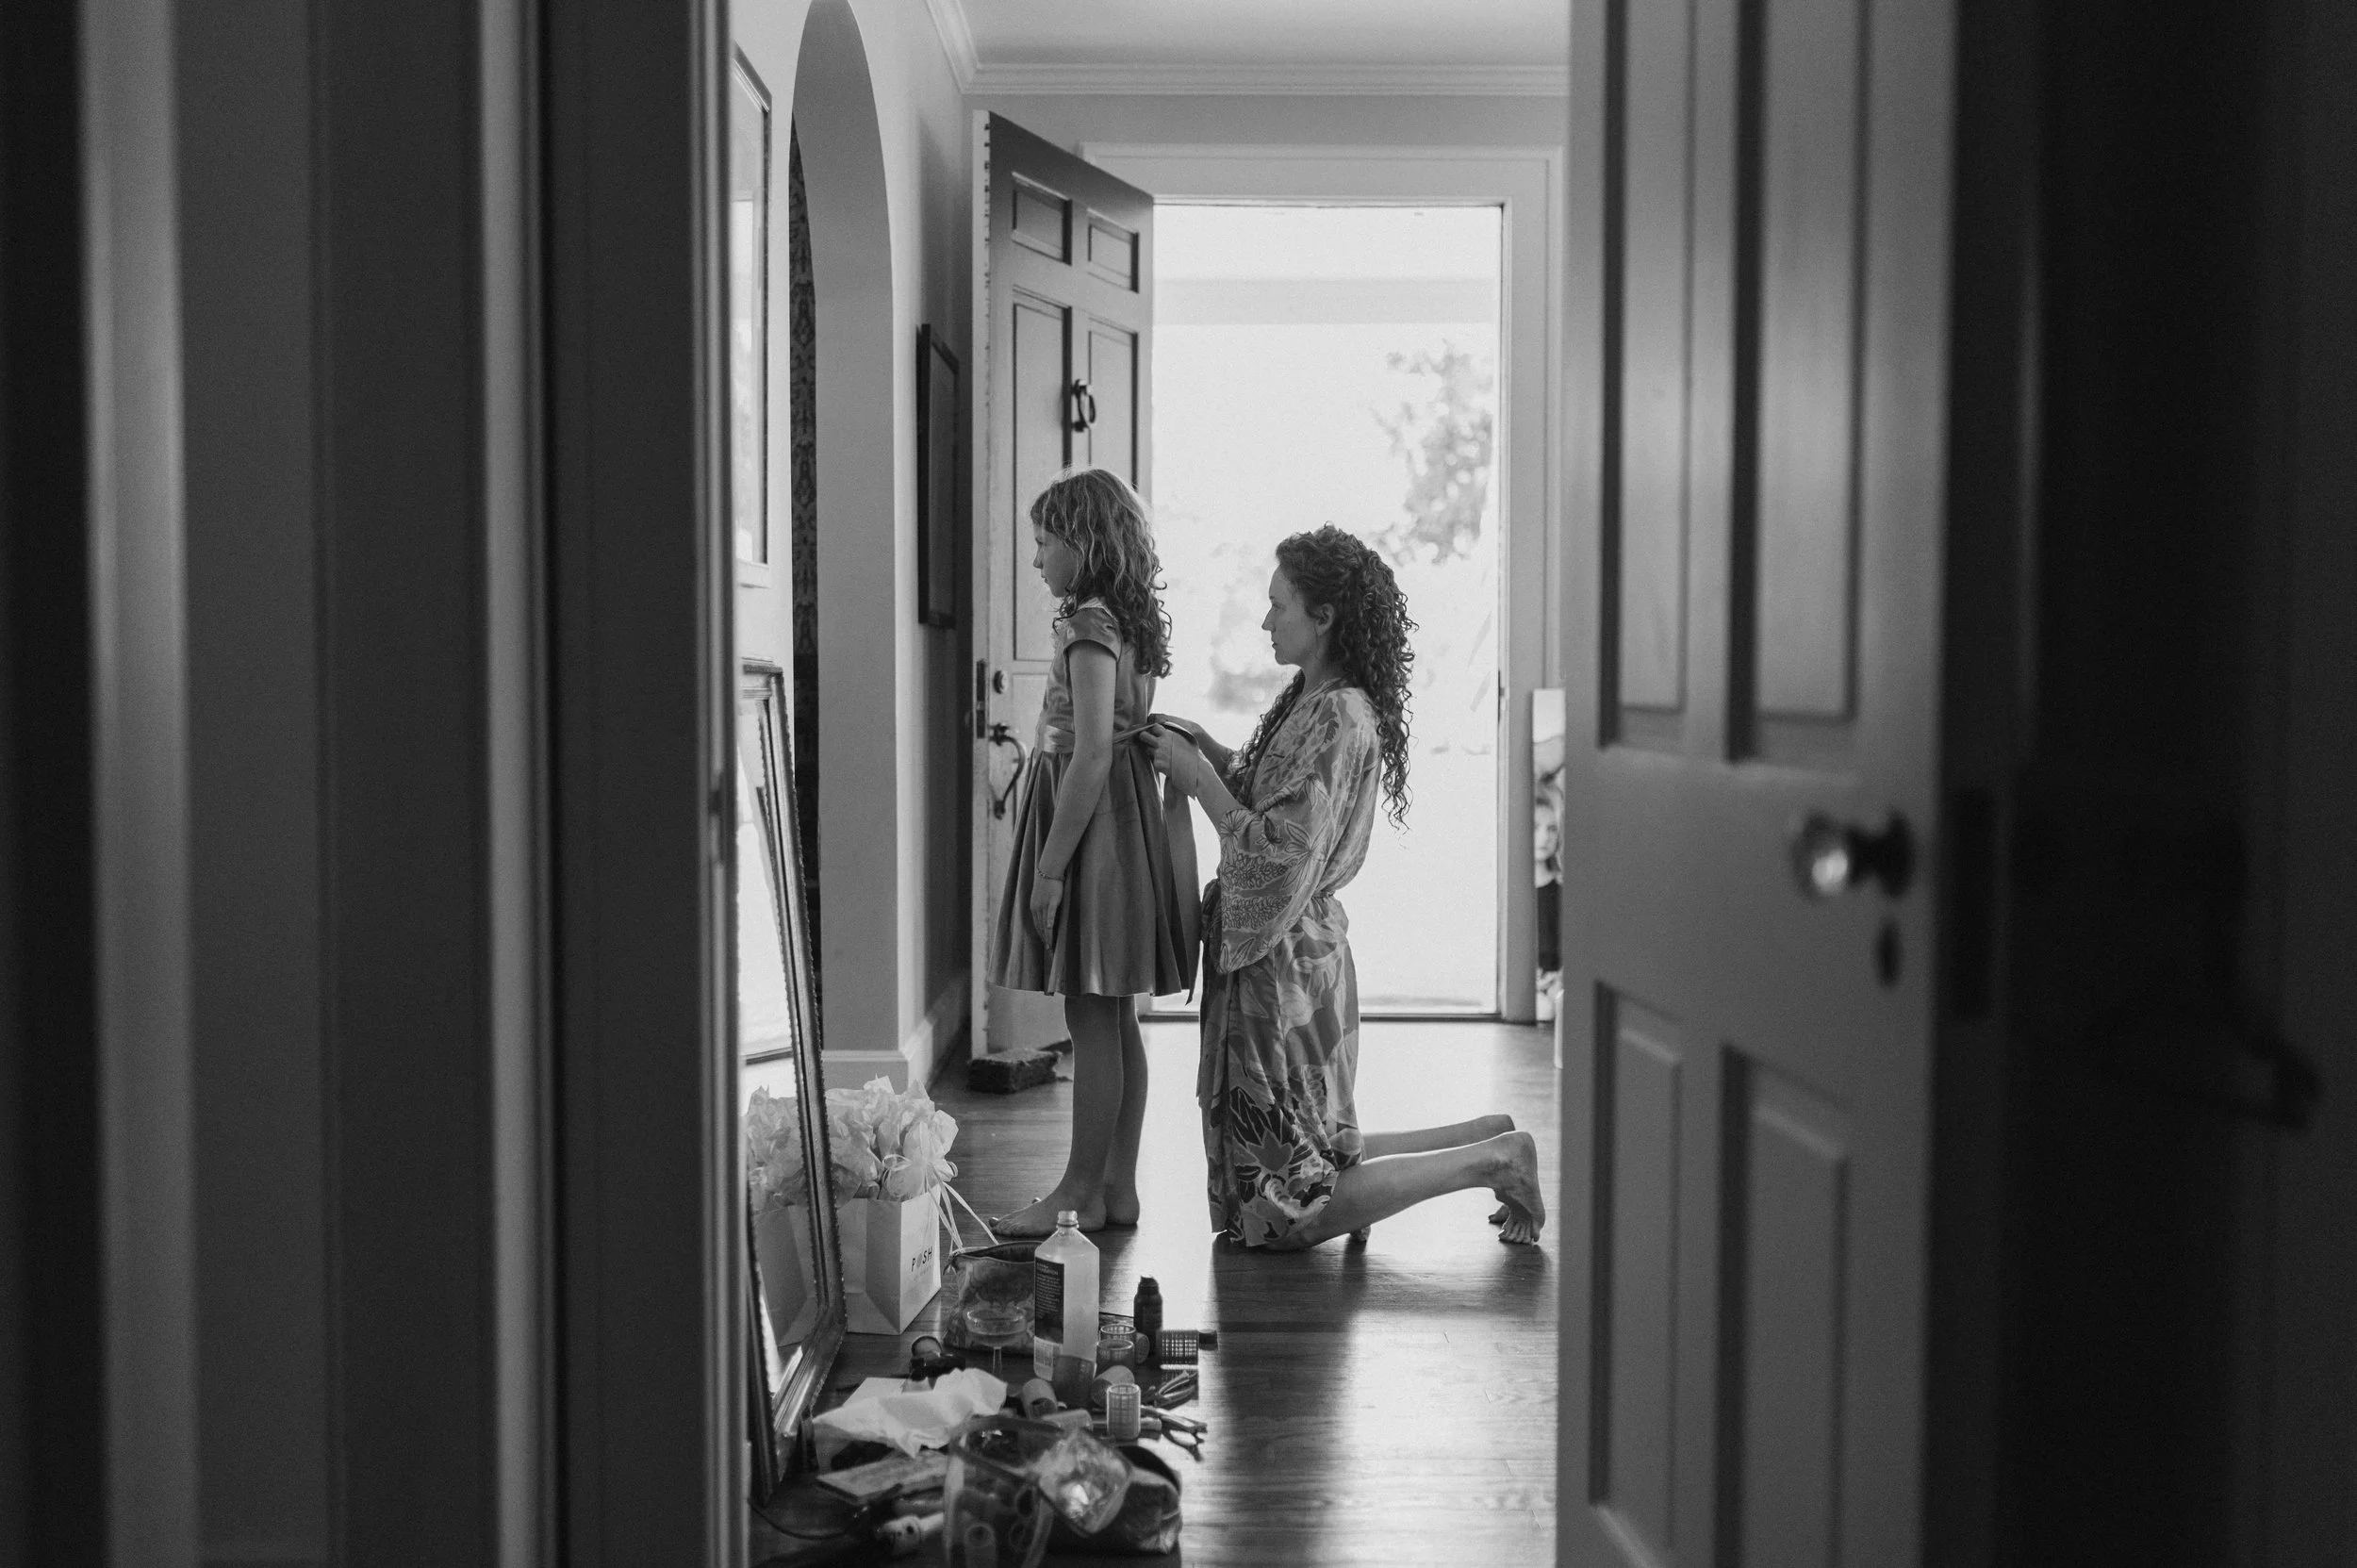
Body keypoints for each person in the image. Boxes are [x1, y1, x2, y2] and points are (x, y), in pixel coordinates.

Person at [1148, 525, 1545, 1249]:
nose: (1266, 621)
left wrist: (1197, 780)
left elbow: (1283, 853)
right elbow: (1276, 801)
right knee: (1303, 1158)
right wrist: (1205, 746)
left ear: (1324, 616)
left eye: (1280, 606)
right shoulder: (1313, 697)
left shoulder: (1340, 713)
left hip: (1287, 969)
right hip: (1287, 961)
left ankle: (1495, 1157)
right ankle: (1486, 1135)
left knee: (1283, 1208)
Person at [986, 469, 1198, 1237]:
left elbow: (1090, 753)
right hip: (1123, 817)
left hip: (1093, 825)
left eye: (1044, 543)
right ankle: (1117, 1186)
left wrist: (1050, 866)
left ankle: (1077, 1192)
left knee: (1089, 1013)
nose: (1037, 559)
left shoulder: (1089, 625)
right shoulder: (1124, 620)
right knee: (1115, 1016)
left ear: (1082, 543)